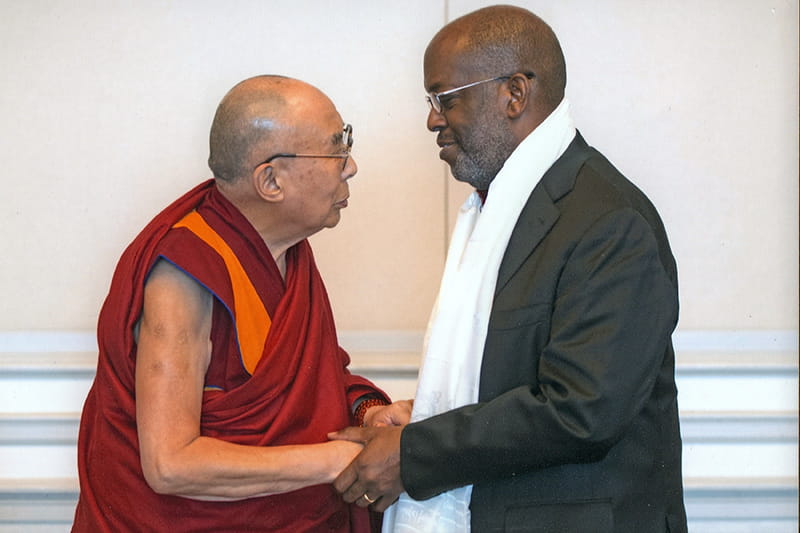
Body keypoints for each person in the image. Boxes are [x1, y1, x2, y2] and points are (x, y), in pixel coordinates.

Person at [331, 6, 687, 532]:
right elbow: (505, 373)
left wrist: (414, 452)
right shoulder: (496, 205)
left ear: (514, 93)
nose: (432, 118)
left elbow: (580, 410)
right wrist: (428, 415)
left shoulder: (608, 219)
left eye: (444, 98)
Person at [72, 75, 411, 532]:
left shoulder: (284, 252)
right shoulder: (185, 274)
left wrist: (367, 411)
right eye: (336, 149)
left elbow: (315, 381)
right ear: (270, 181)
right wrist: (335, 460)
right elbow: (169, 463)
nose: (350, 167)